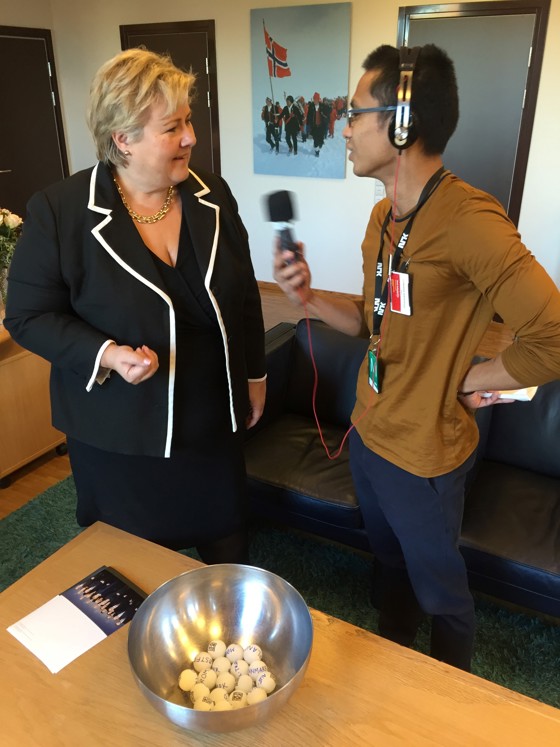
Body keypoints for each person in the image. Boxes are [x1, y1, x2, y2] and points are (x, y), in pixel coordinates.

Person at [273, 43, 560, 671]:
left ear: (401, 124)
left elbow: (553, 336)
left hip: (424, 455)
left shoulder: (470, 220)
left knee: (442, 595)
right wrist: (310, 298)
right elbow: (374, 321)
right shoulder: (384, 217)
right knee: (388, 566)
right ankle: (393, 661)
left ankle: (448, 692)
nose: (343, 128)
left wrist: (467, 379)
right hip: (369, 434)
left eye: (355, 113)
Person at [5, 48, 266, 564]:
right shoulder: (60, 211)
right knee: (134, 567)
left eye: (188, 120)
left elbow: (244, 294)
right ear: (123, 138)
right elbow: (27, 317)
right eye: (173, 127)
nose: (191, 137)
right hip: (120, 428)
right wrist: (105, 353)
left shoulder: (212, 193)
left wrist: (254, 374)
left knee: (227, 548)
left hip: (211, 417)